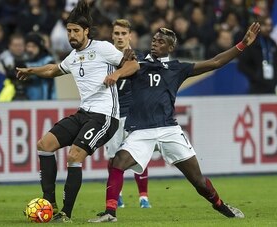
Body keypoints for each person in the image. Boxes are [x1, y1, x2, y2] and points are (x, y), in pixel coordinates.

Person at [88, 22, 261, 223]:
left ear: (170, 48)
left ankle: (221, 205)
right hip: (141, 131)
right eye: (154, 40)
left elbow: (214, 62)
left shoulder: (177, 68)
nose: (155, 43)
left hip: (169, 130)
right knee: (118, 162)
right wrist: (121, 63)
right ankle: (110, 212)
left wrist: (242, 45)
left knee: (198, 181)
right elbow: (120, 64)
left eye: (161, 42)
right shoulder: (138, 64)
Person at [16, 0, 139, 223]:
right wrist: (32, 70)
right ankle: (49, 204)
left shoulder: (102, 48)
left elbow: (133, 66)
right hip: (84, 113)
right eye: (69, 31)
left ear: (86, 32)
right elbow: (54, 69)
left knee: (74, 155)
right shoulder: (73, 56)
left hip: (104, 117)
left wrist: (117, 74)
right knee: (44, 145)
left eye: (75, 31)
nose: (71, 35)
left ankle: (66, 213)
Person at [105, 18, 151, 209]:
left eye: (124, 33)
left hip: (134, 114)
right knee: (114, 157)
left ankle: (143, 197)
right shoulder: (105, 56)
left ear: (130, 36)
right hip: (113, 114)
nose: (120, 37)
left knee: (138, 155)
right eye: (117, 33)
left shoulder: (140, 56)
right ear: (112, 35)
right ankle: (119, 195)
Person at [238, 16, 277, 94]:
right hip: (256, 87)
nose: (268, 28)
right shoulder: (252, 43)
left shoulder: (273, 44)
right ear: (259, 27)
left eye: (270, 25)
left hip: (272, 86)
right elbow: (242, 65)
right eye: (265, 25)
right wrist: (256, 76)